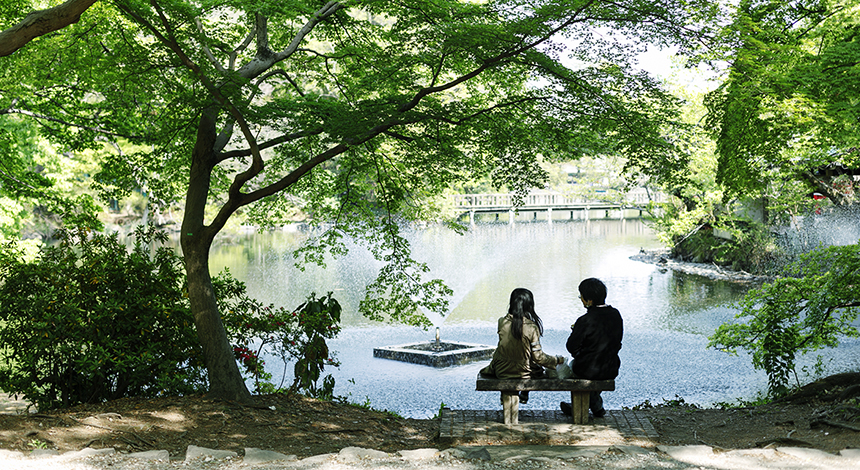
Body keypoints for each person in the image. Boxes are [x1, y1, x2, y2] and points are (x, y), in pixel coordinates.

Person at [480, 288, 564, 404]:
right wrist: (556, 360)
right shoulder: (531, 327)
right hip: (523, 373)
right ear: (529, 306)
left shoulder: (502, 322)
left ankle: (505, 397)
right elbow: (538, 357)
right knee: (535, 368)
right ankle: (525, 392)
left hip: (501, 370)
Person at [560, 278, 623, 418]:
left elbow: (571, 346)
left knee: (574, 367)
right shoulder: (616, 315)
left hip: (588, 369)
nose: (581, 300)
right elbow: (617, 342)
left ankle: (581, 408)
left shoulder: (585, 320)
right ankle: (595, 406)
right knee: (591, 367)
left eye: (581, 297)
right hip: (611, 367)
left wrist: (575, 332)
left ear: (589, 300)